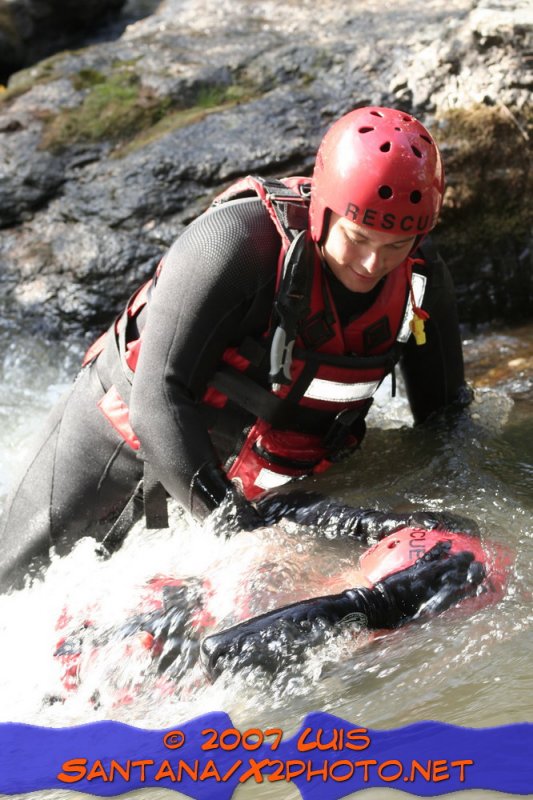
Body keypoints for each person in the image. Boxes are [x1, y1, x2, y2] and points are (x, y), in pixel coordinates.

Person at [0, 106, 469, 593]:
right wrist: (235, 531)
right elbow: (158, 396)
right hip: (118, 447)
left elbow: (446, 420)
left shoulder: (420, 279)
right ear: (322, 210)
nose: (374, 262)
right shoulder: (235, 246)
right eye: (358, 237)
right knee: (10, 590)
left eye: (397, 245)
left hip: (262, 478)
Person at [54, 497, 509, 691]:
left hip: (97, 627)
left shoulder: (275, 568)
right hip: (127, 647)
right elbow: (221, 653)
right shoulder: (363, 603)